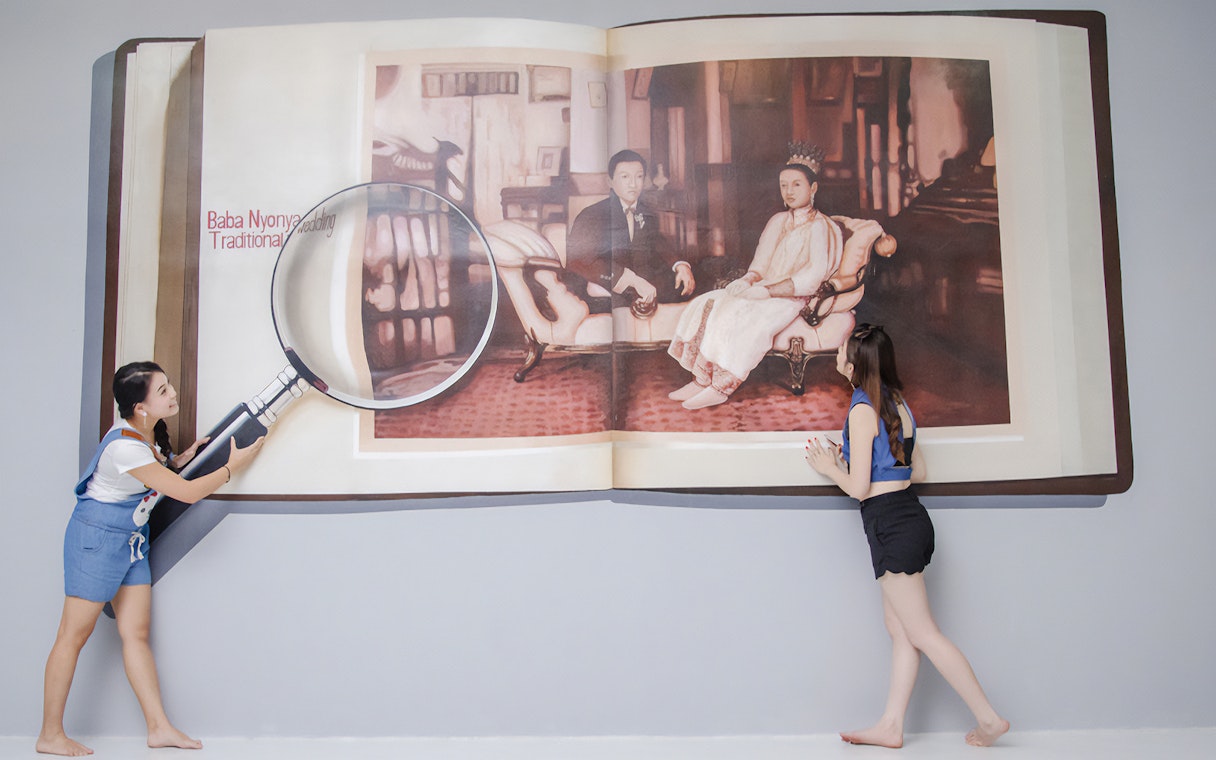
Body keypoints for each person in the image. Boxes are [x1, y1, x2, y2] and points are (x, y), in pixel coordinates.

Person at [37, 362, 265, 757]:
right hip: (97, 541)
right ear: (140, 407)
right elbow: (186, 494)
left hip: (131, 540)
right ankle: (50, 735)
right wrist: (233, 467)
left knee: (136, 634)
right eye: (162, 391)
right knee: (71, 638)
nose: (172, 393)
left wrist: (181, 458)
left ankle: (158, 728)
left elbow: (154, 473)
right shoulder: (125, 447)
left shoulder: (143, 437)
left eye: (168, 385)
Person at [805, 325, 1009, 749]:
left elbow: (859, 488)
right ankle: (892, 725)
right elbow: (919, 472)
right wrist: (868, 463)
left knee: (923, 633)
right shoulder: (897, 402)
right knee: (900, 630)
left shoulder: (862, 410)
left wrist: (829, 467)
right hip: (909, 516)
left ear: (854, 364)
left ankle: (988, 719)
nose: (837, 355)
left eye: (841, 350)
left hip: (890, 523)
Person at [667, 147, 842, 409]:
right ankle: (702, 378)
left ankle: (721, 386)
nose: (789, 191)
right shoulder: (778, 220)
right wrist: (748, 280)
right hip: (762, 289)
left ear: (813, 187)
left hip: (793, 297)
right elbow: (760, 264)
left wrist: (768, 292)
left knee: (743, 316)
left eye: (796, 184)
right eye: (784, 185)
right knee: (711, 302)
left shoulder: (820, 227)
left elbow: (812, 277)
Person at [565, 149, 695, 313]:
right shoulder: (591, 215)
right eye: (625, 177)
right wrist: (632, 281)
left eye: (639, 176)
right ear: (610, 181)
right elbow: (579, 260)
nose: (633, 184)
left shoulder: (647, 213)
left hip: (641, 290)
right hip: (602, 292)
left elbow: (658, 242)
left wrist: (680, 265)